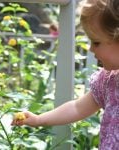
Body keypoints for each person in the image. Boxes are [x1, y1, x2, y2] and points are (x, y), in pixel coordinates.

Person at [11, 0, 119, 149]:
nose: (91, 49)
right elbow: (76, 108)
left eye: (96, 42)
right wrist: (38, 119)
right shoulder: (108, 82)